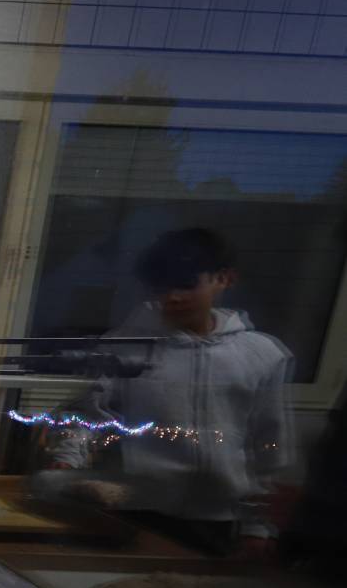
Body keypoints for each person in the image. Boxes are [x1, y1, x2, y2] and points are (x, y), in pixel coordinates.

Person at [38, 228, 292, 557]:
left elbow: (267, 442)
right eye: (162, 286)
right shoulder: (126, 349)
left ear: (225, 278)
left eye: (186, 284)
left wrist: (257, 524)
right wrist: (67, 459)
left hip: (220, 518)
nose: (172, 297)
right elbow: (91, 412)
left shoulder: (262, 355)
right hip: (135, 510)